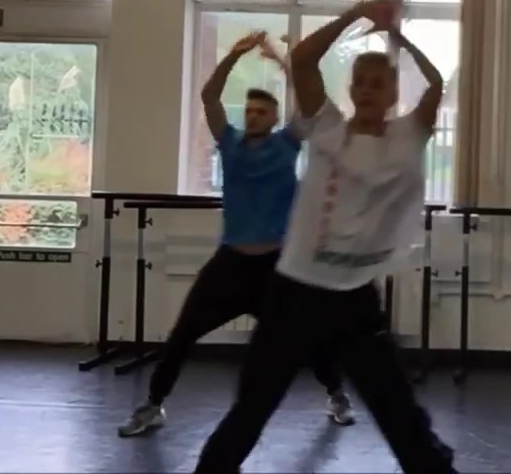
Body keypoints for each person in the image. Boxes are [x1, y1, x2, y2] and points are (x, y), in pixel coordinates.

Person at [194, 0, 456, 474]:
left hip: (355, 298)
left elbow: (436, 83)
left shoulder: (409, 135)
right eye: (360, 82)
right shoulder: (327, 125)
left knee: (401, 417)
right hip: (295, 292)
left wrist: (395, 35)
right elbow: (302, 60)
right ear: (351, 89)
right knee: (252, 409)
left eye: (378, 83)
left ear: (393, 92)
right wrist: (356, 13)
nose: (368, 90)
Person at [119, 31, 355, 438]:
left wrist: (282, 62)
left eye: (261, 112)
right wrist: (233, 55)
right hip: (230, 264)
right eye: (249, 111)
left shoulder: (288, 143)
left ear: (274, 118)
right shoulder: (229, 143)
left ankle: (337, 395)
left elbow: (310, 102)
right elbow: (209, 97)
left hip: (276, 268)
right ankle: (153, 405)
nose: (253, 117)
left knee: (309, 338)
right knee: (182, 334)